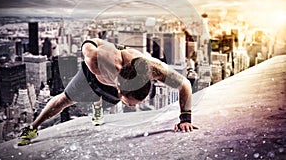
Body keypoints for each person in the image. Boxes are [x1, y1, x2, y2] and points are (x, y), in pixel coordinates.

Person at [18, 38, 198, 146]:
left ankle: (99, 105)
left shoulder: (154, 69)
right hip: (96, 76)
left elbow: (185, 85)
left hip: (114, 83)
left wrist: (185, 119)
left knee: (105, 100)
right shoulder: (97, 61)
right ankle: (32, 128)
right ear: (119, 89)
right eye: (129, 103)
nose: (132, 108)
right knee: (65, 100)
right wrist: (106, 46)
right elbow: (90, 44)